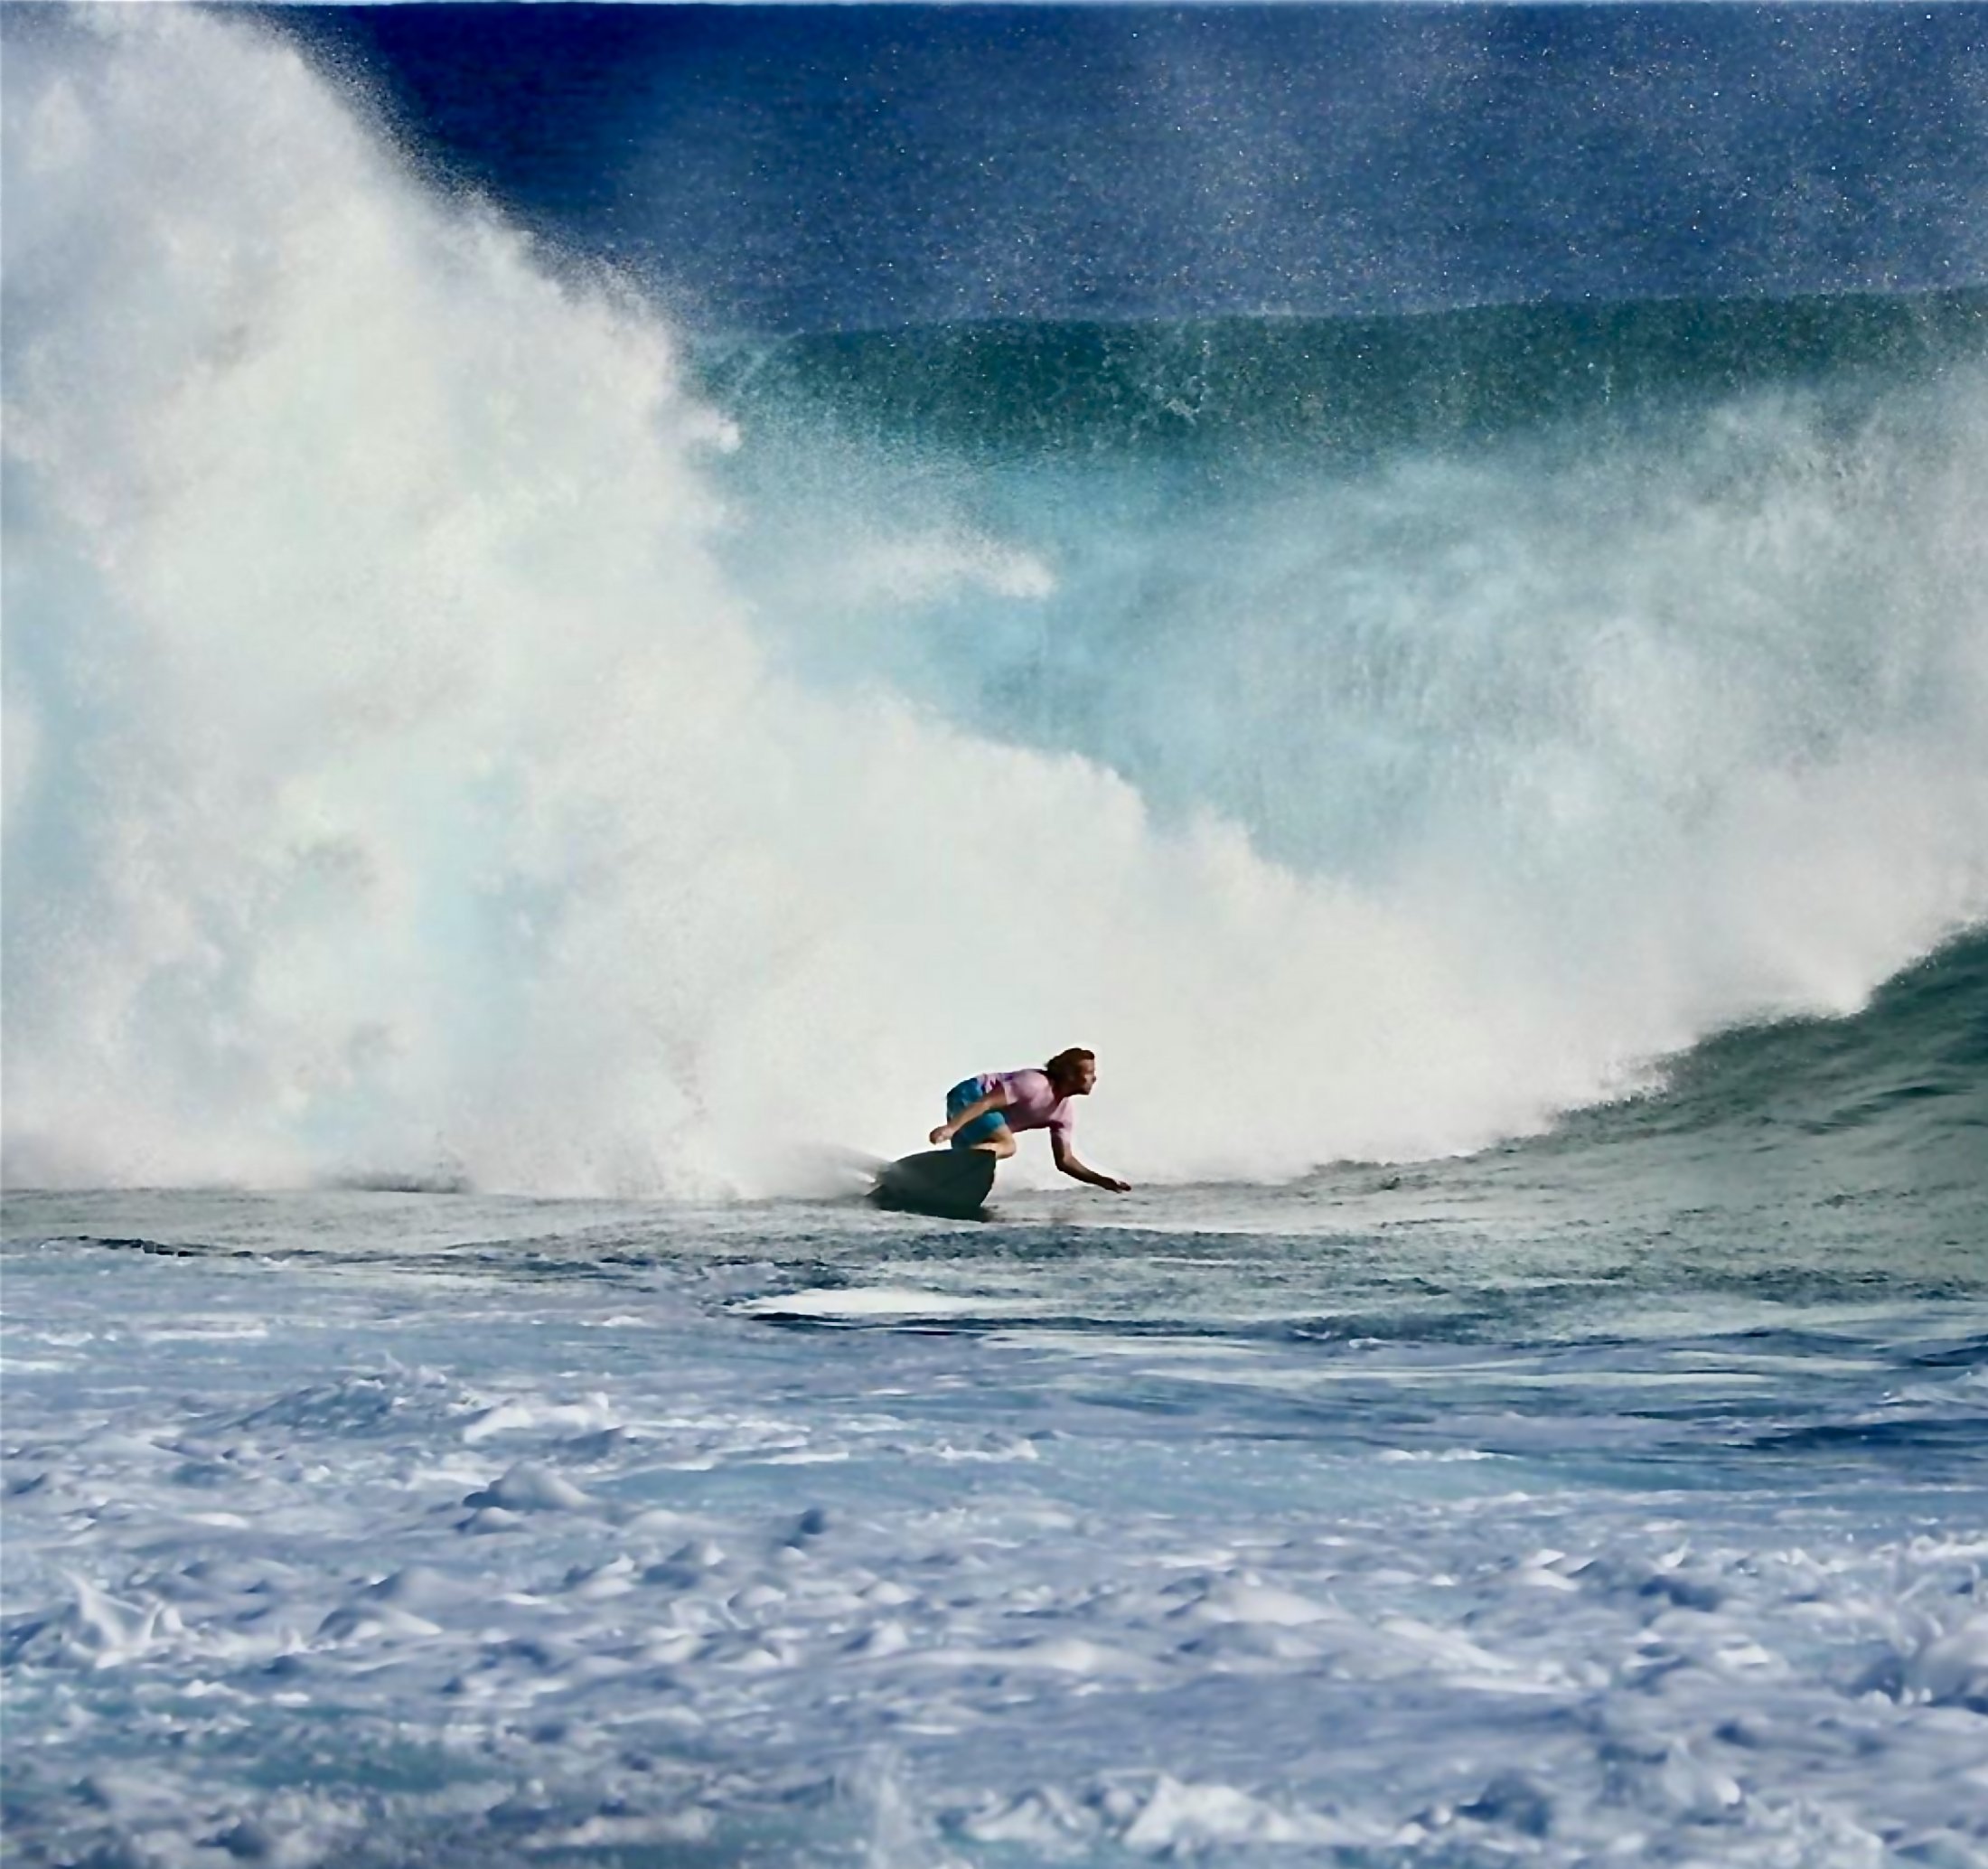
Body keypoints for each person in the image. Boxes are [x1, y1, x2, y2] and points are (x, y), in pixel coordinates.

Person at [929, 1047, 1131, 1193]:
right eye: (1089, 1073)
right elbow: (986, 1102)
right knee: (1007, 1146)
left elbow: (1065, 1161)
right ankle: (948, 1165)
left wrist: (1101, 1181)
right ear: (1069, 1074)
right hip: (971, 1096)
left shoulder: (1063, 1113)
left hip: (982, 1114)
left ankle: (935, 1178)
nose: (1094, 1078)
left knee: (976, 1176)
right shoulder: (1034, 1084)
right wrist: (951, 1128)